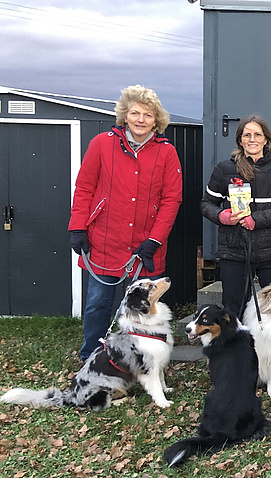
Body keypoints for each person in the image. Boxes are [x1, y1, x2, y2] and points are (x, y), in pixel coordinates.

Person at [68, 85, 183, 360]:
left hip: (146, 246)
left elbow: (171, 199)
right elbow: (84, 188)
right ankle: (92, 357)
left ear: (157, 120)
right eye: (135, 113)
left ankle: (142, 360)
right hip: (105, 241)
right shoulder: (101, 144)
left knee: (144, 309)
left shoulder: (167, 153)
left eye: (148, 114)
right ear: (125, 115)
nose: (141, 119)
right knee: (98, 304)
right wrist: (77, 227)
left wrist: (154, 240)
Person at [201, 115, 271, 320]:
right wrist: (222, 216)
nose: (252, 139)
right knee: (233, 310)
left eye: (257, 134)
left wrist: (257, 219)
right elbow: (206, 204)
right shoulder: (224, 169)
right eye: (247, 135)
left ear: (266, 139)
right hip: (234, 252)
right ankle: (235, 351)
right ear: (240, 140)